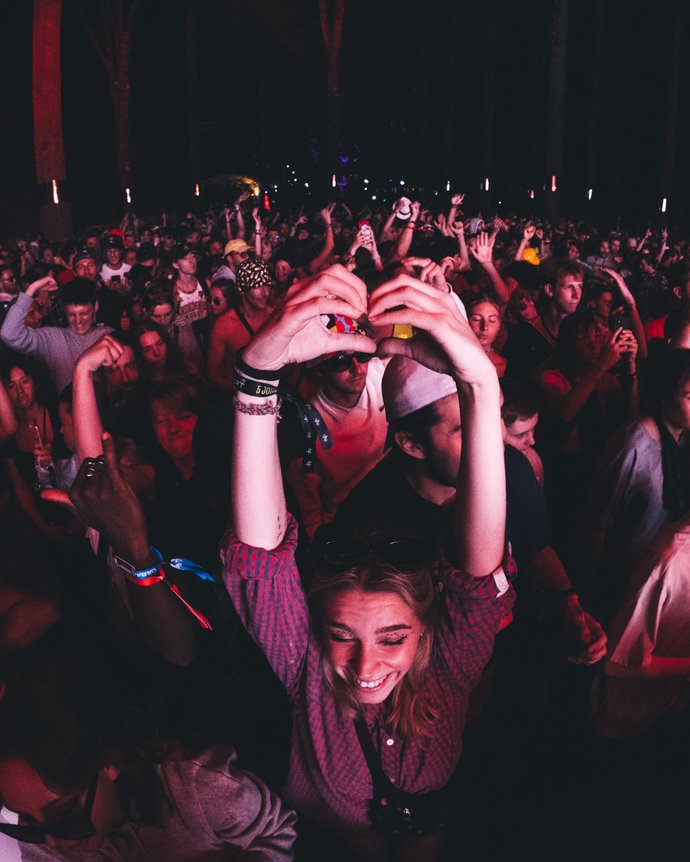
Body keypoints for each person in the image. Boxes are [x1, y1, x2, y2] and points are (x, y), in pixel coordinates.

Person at [222, 264, 513, 860]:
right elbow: (259, 560)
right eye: (340, 634)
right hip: (344, 825)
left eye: (391, 638)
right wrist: (256, 376)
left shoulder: (449, 661)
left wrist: (481, 383)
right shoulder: (304, 664)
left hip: (429, 811)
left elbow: (479, 575)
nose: (363, 665)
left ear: (427, 632)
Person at [0, 655, 297, 860]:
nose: (52, 842)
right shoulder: (43, 842)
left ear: (108, 762)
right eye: (26, 819)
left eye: (64, 812)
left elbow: (276, 833)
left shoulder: (199, 787)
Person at [0, 277, 111, 393]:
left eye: (84, 313)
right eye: (71, 315)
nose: (78, 321)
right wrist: (32, 288)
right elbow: (9, 334)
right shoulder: (51, 338)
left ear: (96, 307)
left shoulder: (108, 336)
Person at [206, 260, 276, 390]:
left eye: (267, 285)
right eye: (258, 286)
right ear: (242, 290)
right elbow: (213, 373)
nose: (265, 293)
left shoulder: (274, 317)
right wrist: (245, 392)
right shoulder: (223, 326)